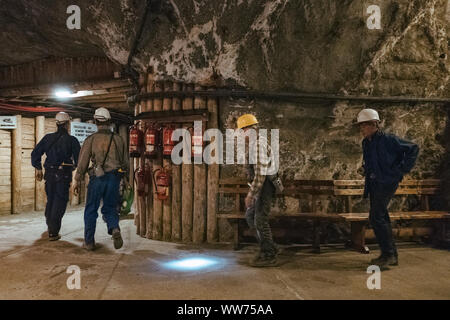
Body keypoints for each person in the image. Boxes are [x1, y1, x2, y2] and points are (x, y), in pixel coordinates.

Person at [356, 109, 419, 268]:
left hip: (387, 182)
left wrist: (401, 170)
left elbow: (413, 148)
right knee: (380, 216)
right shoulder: (366, 143)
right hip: (375, 183)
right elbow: (371, 161)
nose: (361, 129)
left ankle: (389, 254)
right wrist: (365, 168)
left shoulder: (389, 140)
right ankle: (390, 255)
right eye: (361, 126)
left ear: (374, 124)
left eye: (364, 126)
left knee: (376, 216)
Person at [73, 107, 129, 251]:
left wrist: (77, 179)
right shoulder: (119, 139)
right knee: (110, 207)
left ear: (96, 121)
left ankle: (89, 242)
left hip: (97, 179)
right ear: (109, 121)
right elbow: (125, 162)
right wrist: (126, 178)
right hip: (114, 178)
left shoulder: (91, 139)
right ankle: (114, 228)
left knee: (91, 209)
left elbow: (83, 161)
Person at [237, 114, 280, 267]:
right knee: (250, 216)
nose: (242, 135)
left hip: (265, 186)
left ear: (249, 129)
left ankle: (269, 255)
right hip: (261, 186)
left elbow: (261, 173)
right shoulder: (255, 144)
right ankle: (270, 246)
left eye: (242, 131)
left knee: (260, 220)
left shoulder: (258, 145)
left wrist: (251, 194)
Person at [31, 112, 81, 241]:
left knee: (51, 199)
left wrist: (38, 168)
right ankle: (53, 231)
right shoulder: (72, 141)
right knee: (60, 202)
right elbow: (79, 160)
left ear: (57, 124)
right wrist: (73, 168)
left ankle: (50, 224)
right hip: (63, 176)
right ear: (67, 124)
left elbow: (35, 153)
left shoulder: (48, 138)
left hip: (49, 174)